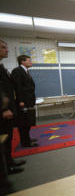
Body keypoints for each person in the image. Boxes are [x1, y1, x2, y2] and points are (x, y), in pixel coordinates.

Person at [0, 39, 26, 174]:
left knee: (8, 138)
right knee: (3, 140)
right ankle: (6, 168)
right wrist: (3, 108)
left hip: (9, 109)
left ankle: (9, 162)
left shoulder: (2, 67)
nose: (7, 50)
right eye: (4, 47)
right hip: (3, 112)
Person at [11, 55, 38, 147]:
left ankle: (27, 139)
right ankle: (25, 142)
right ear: (22, 61)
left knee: (28, 122)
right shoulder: (17, 71)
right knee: (23, 123)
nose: (31, 62)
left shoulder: (26, 71)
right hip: (23, 102)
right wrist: (20, 101)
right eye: (29, 60)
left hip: (29, 100)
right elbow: (17, 87)